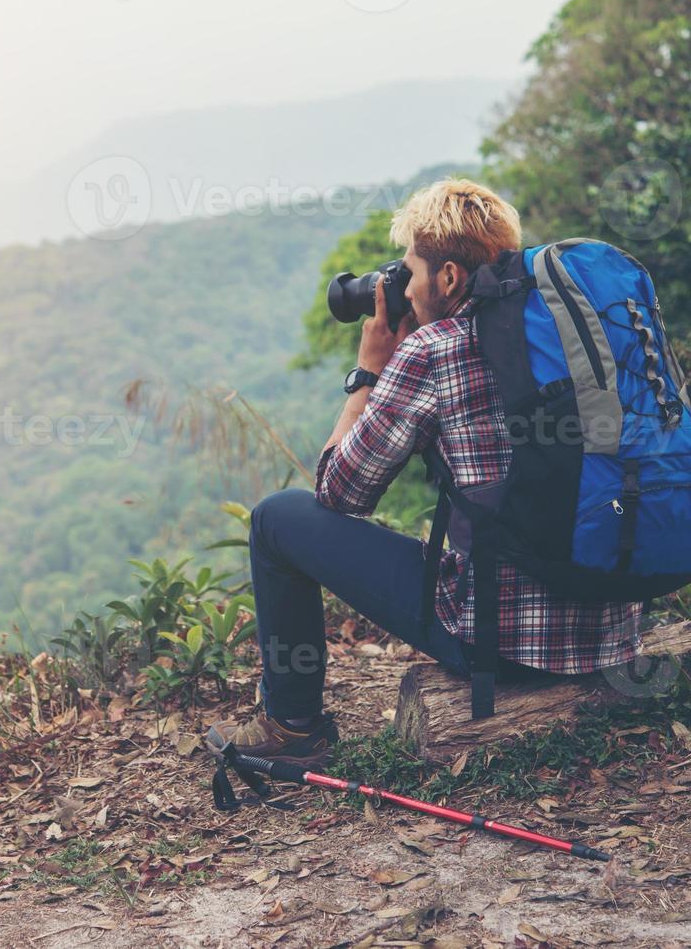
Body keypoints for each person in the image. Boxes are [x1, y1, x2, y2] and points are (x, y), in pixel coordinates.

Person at [210, 178, 642, 768]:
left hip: (507, 644)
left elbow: (339, 493)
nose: (404, 287)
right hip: (613, 623)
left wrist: (368, 374)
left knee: (276, 520)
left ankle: (292, 728)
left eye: (411, 272)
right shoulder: (576, 328)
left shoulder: (432, 350)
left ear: (448, 279)